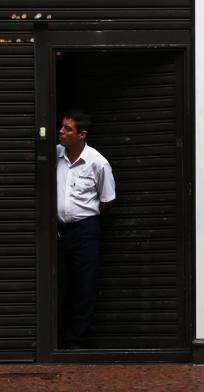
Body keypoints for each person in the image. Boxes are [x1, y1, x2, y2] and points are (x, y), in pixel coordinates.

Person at [56, 109, 116, 349]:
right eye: (62, 127)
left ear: (82, 135)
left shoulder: (98, 163)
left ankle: (76, 342)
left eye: (67, 129)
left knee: (84, 287)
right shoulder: (54, 155)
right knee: (58, 286)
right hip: (58, 232)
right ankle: (55, 339)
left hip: (85, 231)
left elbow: (108, 200)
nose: (61, 131)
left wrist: (87, 224)